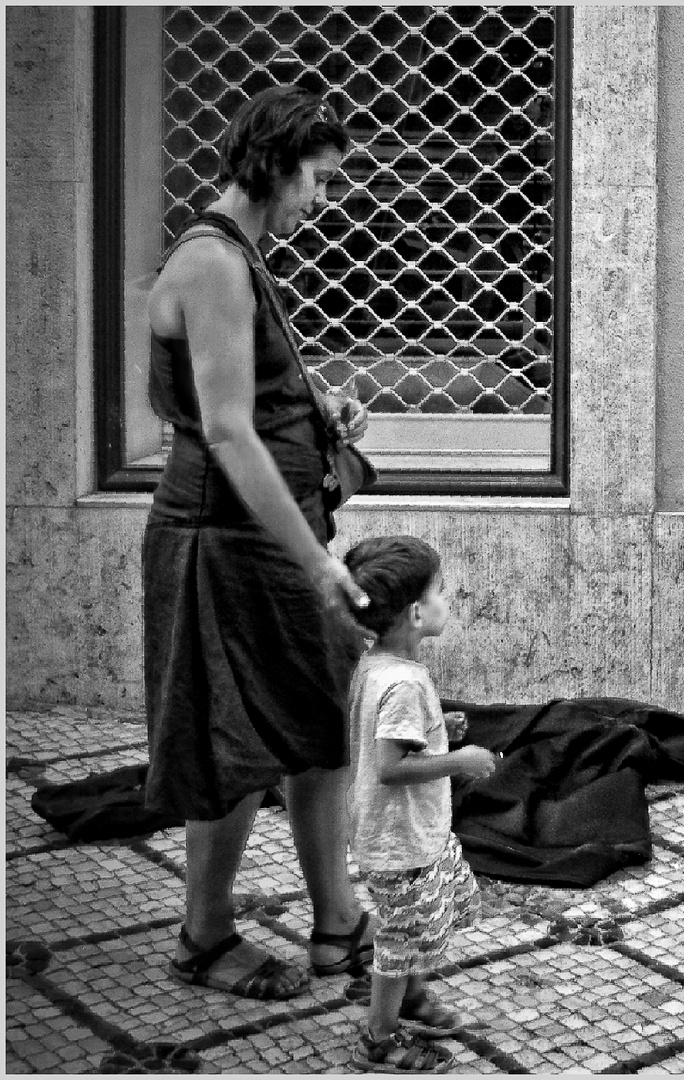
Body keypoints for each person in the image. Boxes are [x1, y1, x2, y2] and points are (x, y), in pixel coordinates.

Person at [143, 85, 375, 999]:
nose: (319, 202)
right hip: (222, 543)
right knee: (231, 743)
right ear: (274, 165)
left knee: (318, 727)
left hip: (264, 541)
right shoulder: (211, 263)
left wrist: (317, 414)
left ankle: (337, 922)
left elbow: (249, 403)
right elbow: (228, 432)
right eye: (316, 182)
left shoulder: (241, 255)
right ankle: (203, 934)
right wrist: (318, 562)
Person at [343, 536, 499, 1072]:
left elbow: (392, 741)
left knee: (414, 928)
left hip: (405, 835)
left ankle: (411, 999)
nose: (445, 600)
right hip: (400, 842)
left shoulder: (377, 665)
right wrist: (460, 761)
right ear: (414, 612)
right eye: (439, 592)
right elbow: (389, 768)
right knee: (401, 939)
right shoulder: (404, 683)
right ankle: (378, 1039)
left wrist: (441, 733)